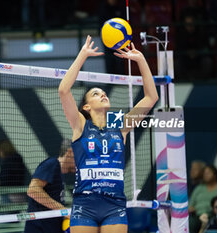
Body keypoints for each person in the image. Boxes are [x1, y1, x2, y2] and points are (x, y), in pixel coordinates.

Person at [58, 36, 158, 233]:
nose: (103, 94)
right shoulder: (80, 126)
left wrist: (141, 60)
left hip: (114, 206)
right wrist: (82, 55)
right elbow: (63, 90)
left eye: (103, 92)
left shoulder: (121, 128)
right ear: (86, 106)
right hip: (84, 205)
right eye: (96, 94)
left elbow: (151, 97)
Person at [24, 139, 75, 233]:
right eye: (80, 156)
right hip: (39, 228)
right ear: (70, 152)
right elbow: (33, 190)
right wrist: (64, 211)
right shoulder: (52, 164)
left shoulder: (59, 173)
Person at [189, 165, 217, 232]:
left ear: (215, 174)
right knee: (190, 222)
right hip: (197, 216)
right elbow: (190, 205)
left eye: (208, 173)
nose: (205, 175)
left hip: (214, 215)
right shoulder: (199, 188)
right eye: (204, 173)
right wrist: (191, 208)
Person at [0, 139, 27, 204]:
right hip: (21, 194)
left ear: (2, 150)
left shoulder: (7, 162)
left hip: (9, 195)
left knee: (3, 214)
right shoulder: (18, 160)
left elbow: (5, 179)